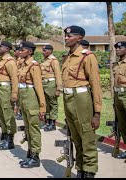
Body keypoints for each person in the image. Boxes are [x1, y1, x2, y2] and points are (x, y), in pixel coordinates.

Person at [62, 25, 102, 178]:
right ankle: (80, 169)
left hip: (82, 99)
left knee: (87, 136)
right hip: (68, 99)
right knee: (75, 137)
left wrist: (97, 113)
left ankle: (90, 171)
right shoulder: (67, 57)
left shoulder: (87, 56)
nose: (66, 38)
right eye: (65, 36)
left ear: (79, 38)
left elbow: (96, 85)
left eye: (70, 36)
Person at [17, 41, 46, 168]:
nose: (20, 51)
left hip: (31, 98)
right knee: (28, 127)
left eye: (22, 50)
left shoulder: (34, 66)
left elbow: (39, 87)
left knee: (33, 128)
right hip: (23, 97)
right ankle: (30, 152)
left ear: (29, 52)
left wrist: (42, 107)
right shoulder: (22, 65)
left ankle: (35, 157)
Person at [0, 41, 18, 150]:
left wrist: (14, 93)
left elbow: (14, 78)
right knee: (1, 112)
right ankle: (4, 136)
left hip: (5, 89)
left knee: (7, 113)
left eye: (0, 47)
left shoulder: (10, 61)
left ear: (7, 49)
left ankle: (10, 140)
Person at [40, 44, 62, 131]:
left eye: (44, 50)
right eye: (43, 50)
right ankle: (48, 121)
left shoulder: (53, 61)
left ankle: (52, 123)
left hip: (51, 83)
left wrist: (58, 88)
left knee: (53, 103)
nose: (43, 52)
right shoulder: (45, 60)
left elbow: (58, 74)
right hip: (44, 84)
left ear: (50, 51)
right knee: (46, 104)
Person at [113, 41, 126, 160]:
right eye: (116, 49)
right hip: (117, 95)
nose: (117, 50)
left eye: (120, 48)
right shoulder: (116, 64)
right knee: (122, 124)